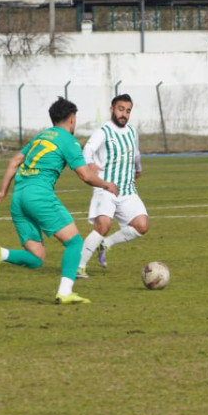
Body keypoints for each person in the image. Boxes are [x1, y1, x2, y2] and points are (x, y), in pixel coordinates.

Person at [0, 98, 118, 305]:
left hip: (18, 198)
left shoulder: (40, 137)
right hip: (38, 195)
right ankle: (65, 292)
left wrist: (2, 192)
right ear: (72, 118)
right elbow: (85, 175)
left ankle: (2, 254)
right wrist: (106, 185)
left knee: (37, 257)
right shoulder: (68, 140)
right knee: (74, 243)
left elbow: (14, 161)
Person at [76, 94, 146, 280]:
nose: (124, 114)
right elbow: (87, 150)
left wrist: (138, 169)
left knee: (141, 226)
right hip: (105, 188)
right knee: (103, 225)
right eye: (120, 109)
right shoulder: (104, 131)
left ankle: (106, 244)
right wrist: (89, 163)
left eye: (128, 110)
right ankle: (79, 267)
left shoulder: (132, 132)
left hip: (127, 189)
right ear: (112, 109)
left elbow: (136, 154)